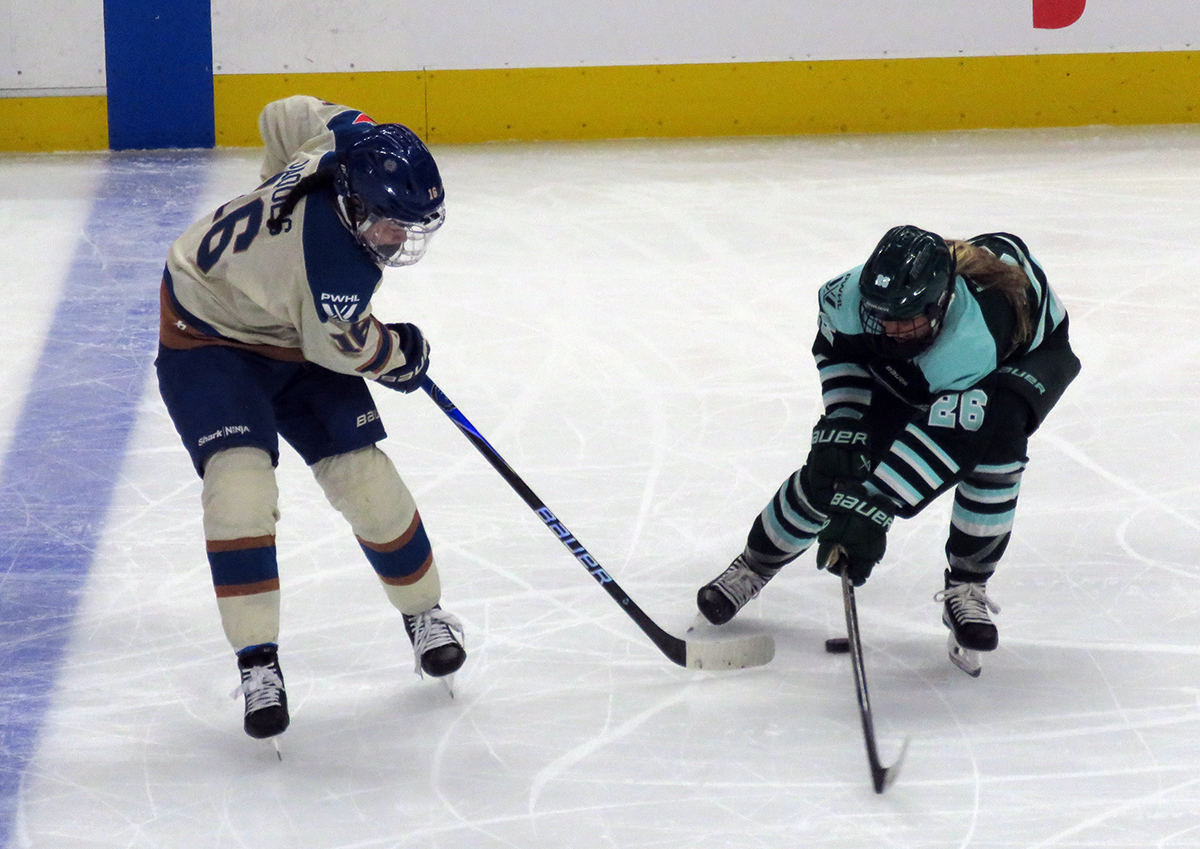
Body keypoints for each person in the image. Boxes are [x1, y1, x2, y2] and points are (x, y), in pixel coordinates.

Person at [155, 95, 466, 740]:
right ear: (353, 202)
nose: (397, 239)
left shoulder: (343, 141)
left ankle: (425, 614)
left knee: (365, 478)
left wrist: (276, 184)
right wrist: (404, 354)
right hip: (209, 336)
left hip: (290, 324)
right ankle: (257, 662)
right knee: (239, 490)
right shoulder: (335, 272)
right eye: (387, 224)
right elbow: (345, 345)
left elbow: (283, 112)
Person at [696, 225, 1080, 675]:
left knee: (997, 450)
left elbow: (951, 441)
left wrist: (876, 503)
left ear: (940, 304)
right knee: (838, 465)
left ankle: (967, 586)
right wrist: (845, 421)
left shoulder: (971, 340)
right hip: (935, 364)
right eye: (883, 316)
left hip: (1023, 361)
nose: (892, 328)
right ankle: (754, 564)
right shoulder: (849, 297)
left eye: (906, 318)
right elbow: (839, 351)